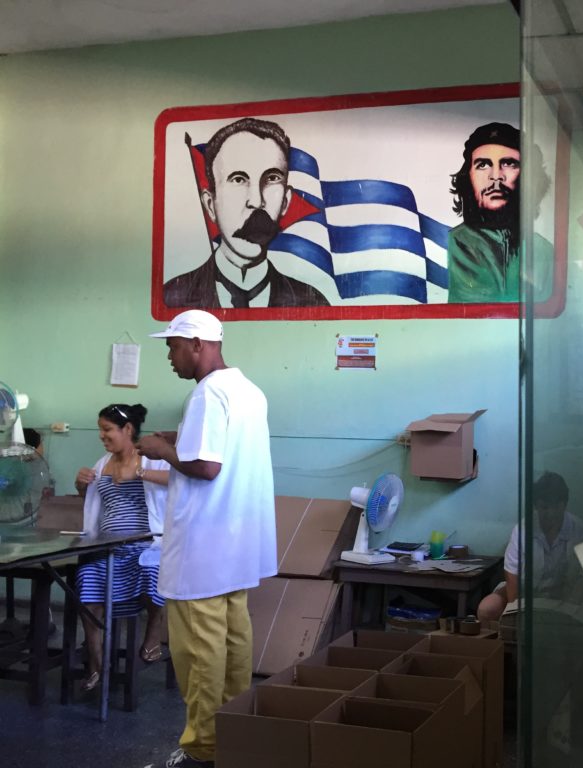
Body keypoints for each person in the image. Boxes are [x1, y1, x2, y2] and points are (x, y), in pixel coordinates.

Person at [138, 309, 276, 768]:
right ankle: (237, 736)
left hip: (203, 551)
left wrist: (161, 451)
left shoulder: (206, 392)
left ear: (198, 344)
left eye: (173, 347)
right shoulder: (248, 391)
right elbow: (223, 449)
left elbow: (206, 467)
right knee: (235, 645)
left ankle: (203, 748)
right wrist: (181, 438)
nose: (170, 358)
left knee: (198, 653)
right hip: (236, 547)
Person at [163, 117, 330, 309]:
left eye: (272, 178)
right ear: (210, 205)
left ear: (285, 201)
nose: (257, 202)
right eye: (238, 180)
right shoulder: (172, 298)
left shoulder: (312, 303)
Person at [73, 404, 170, 692]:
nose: (102, 436)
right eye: (100, 430)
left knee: (155, 575)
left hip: (145, 545)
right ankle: (97, 665)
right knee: (87, 585)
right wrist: (81, 486)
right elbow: (91, 502)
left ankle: (153, 636)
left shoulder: (153, 459)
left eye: (107, 430)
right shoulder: (102, 463)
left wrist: (138, 474)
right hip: (107, 547)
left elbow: (178, 481)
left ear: (127, 429)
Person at [446, 122, 553, 303]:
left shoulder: (543, 250)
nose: (496, 176)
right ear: (468, 176)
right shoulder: (455, 243)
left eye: (509, 163)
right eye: (483, 165)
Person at [477, 471, 583, 620]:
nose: (550, 514)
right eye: (544, 507)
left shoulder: (580, 529)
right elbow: (512, 572)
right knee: (487, 609)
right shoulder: (523, 528)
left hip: (566, 595)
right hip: (526, 592)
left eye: (556, 507)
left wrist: (569, 607)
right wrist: (515, 610)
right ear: (536, 506)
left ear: (564, 505)